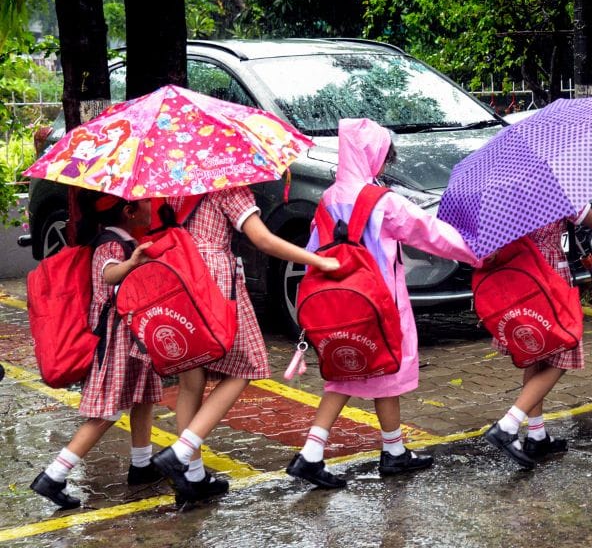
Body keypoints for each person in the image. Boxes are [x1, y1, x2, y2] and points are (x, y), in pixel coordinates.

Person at [285, 118, 480, 489]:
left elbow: (313, 251)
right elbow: (430, 233)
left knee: (346, 374)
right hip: (379, 303)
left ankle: (364, 451)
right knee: (385, 369)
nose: (385, 164)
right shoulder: (383, 201)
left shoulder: (328, 199)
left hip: (337, 303)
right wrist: (477, 252)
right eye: (384, 157)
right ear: (374, 155)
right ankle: (364, 453)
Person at [151, 185, 339, 507]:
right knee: (245, 366)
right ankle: (181, 452)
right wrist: (317, 261)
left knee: (190, 382)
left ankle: (192, 475)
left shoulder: (170, 181)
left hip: (173, 275)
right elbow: (262, 239)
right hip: (210, 282)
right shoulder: (226, 185)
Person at [482, 208, 592, 468]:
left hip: (519, 277)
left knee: (534, 356)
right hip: (549, 278)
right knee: (563, 353)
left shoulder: (504, 197)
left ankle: (537, 435)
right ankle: (508, 424)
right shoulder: (555, 188)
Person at [30, 193, 161, 509]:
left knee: (142, 397)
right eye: (146, 202)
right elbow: (109, 273)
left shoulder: (127, 239)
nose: (152, 206)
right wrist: (132, 263)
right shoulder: (110, 244)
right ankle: (54, 475)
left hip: (132, 338)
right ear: (128, 211)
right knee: (107, 412)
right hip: (114, 341)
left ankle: (142, 464)